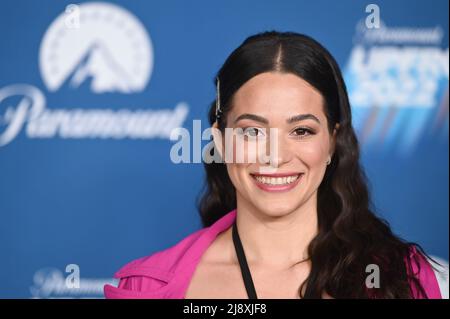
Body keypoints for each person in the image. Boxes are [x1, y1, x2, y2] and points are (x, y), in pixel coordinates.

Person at [104, 31, 443, 299]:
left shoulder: (405, 279)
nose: (275, 156)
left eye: (301, 130)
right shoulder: (146, 287)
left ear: (332, 142)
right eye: (252, 131)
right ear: (220, 141)